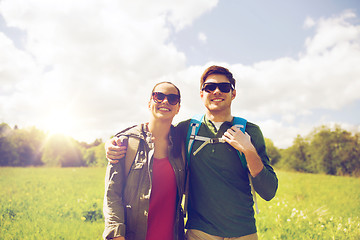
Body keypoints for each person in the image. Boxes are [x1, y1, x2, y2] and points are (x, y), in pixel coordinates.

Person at [106, 66, 278, 240]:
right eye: (210, 87)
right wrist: (114, 141)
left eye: (224, 87)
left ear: (233, 94)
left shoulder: (250, 131)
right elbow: (153, 131)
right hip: (199, 233)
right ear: (202, 94)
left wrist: (249, 150)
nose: (217, 91)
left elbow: (269, 191)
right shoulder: (187, 129)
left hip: (244, 233)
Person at [103, 82, 186, 240]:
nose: (165, 101)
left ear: (178, 108)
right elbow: (112, 195)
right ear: (149, 103)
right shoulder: (125, 143)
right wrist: (116, 235)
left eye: (172, 98)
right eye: (159, 96)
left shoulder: (182, 143)